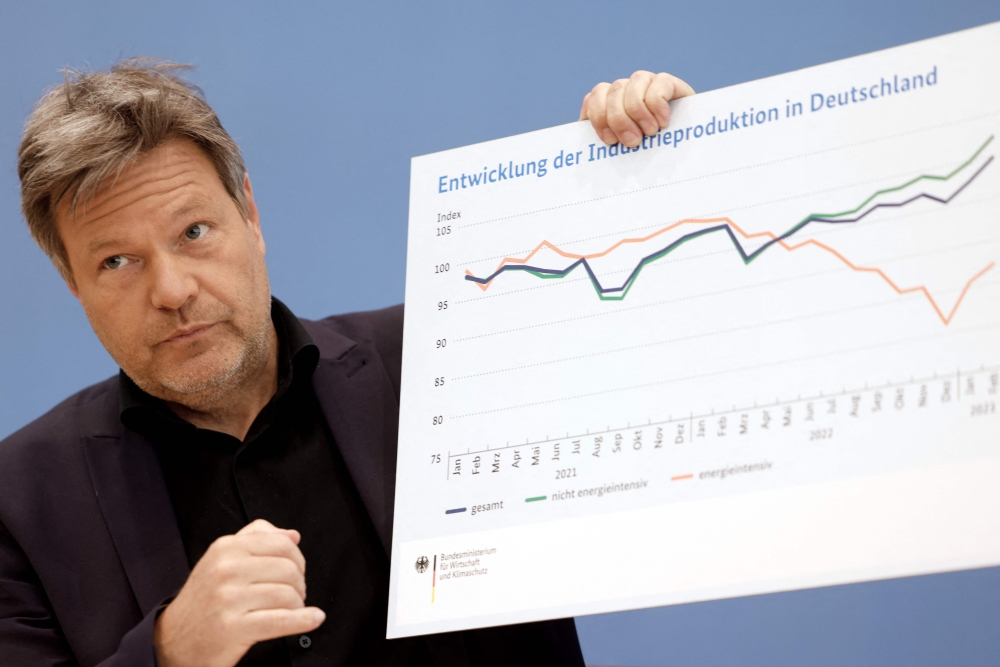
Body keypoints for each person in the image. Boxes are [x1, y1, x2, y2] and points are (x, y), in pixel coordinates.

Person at [0, 59, 694, 667]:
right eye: (116, 260)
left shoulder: (448, 360)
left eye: (194, 231)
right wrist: (169, 653)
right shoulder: (18, 505)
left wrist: (659, 167)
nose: (173, 289)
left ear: (251, 215)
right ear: (72, 282)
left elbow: (658, 382)